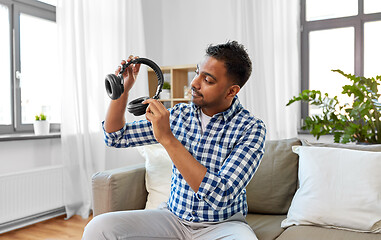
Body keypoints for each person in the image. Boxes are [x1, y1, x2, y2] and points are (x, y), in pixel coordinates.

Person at [83, 41, 266, 240]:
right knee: (98, 228)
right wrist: (123, 91)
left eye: (208, 80)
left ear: (232, 91)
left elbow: (221, 195)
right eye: (197, 73)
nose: (195, 83)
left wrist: (168, 139)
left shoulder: (251, 128)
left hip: (223, 225)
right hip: (173, 219)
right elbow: (115, 137)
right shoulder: (179, 115)